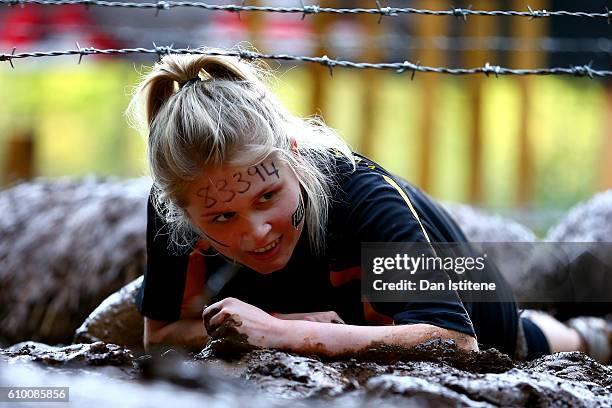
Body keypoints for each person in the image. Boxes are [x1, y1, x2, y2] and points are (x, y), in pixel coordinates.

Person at [129, 51, 611, 362]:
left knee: (531, 339)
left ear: (294, 156)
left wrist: (279, 333)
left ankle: (592, 335)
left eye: (268, 196)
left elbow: (457, 340)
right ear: (182, 211)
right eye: (221, 218)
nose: (255, 232)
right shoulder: (177, 193)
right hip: (333, 302)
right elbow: (161, 333)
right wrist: (292, 324)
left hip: (472, 304)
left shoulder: (361, 196)